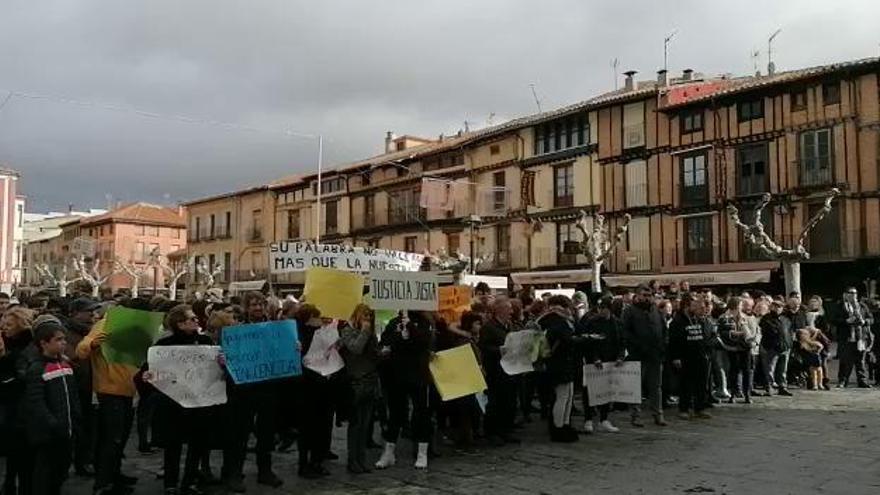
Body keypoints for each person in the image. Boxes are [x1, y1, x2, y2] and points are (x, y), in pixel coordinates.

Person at [145, 305, 214, 495]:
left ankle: (190, 482)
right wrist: (149, 375)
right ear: (180, 324)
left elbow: (214, 369)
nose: (197, 321)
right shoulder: (164, 345)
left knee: (197, 443)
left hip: (199, 401)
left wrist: (220, 362)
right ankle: (170, 483)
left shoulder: (205, 341)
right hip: (173, 403)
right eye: (192, 319)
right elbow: (150, 370)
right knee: (172, 444)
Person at [76, 300, 143, 495]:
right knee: (110, 439)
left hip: (129, 390)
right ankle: (103, 483)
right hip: (109, 390)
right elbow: (81, 349)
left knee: (120, 439)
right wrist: (93, 343)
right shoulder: (103, 325)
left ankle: (115, 476)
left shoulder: (131, 328)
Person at [220, 291, 283, 491]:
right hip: (243, 390)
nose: (258, 308)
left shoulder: (276, 329)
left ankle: (265, 471)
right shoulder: (237, 330)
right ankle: (234, 473)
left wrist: (293, 347)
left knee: (266, 432)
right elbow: (229, 354)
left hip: (267, 387)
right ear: (246, 308)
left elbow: (282, 351)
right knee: (239, 433)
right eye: (254, 304)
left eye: (261, 304)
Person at [20, 315, 81, 495]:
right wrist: (52, 423)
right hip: (49, 433)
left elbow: (73, 396)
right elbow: (36, 401)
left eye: (64, 339)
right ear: (44, 343)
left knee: (61, 471)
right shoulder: (37, 368)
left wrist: (76, 419)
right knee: (45, 473)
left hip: (67, 430)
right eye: (58, 340)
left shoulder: (65, 365)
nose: (63, 343)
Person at [376, 311, 434, 470]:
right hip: (397, 374)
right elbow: (386, 341)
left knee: (421, 413)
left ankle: (422, 452)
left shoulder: (424, 322)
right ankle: (388, 452)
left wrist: (410, 327)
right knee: (395, 413)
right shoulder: (394, 322)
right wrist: (397, 338)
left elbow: (424, 342)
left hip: (418, 375)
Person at [339, 304, 381, 475]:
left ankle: (361, 459)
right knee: (356, 424)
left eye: (369, 316)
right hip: (356, 382)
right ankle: (352, 460)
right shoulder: (347, 331)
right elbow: (355, 348)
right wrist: (364, 332)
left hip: (370, 379)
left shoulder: (370, 333)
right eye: (364, 315)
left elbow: (374, 353)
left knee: (365, 423)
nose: (367, 319)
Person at [293, 304, 333, 479]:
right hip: (307, 388)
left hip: (319, 386)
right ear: (309, 318)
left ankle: (316, 461)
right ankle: (305, 464)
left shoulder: (319, 333)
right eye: (317, 317)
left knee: (318, 427)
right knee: (308, 429)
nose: (319, 320)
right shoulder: (301, 336)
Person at [621, 284, 668, 427]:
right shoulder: (630, 311)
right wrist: (635, 346)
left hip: (655, 354)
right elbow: (625, 332)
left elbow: (664, 329)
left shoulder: (656, 310)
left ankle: (658, 414)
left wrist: (663, 346)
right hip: (638, 355)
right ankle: (636, 415)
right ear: (637, 296)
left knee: (656, 387)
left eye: (649, 295)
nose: (647, 298)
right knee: (637, 387)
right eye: (644, 295)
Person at [64, 297, 100, 476]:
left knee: (90, 426)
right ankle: (79, 462)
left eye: (94, 311)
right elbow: (72, 360)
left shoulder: (94, 331)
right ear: (75, 314)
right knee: (79, 426)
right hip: (77, 386)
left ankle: (87, 459)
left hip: (94, 384)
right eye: (89, 311)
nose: (93, 315)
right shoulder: (66, 333)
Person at [1, 306, 36, 494]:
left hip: (22, 407)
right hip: (12, 407)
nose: (4, 328)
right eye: (3, 324)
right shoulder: (9, 344)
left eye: (9, 325)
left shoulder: (26, 349)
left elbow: (21, 379)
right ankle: (9, 483)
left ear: (21, 325)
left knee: (22, 453)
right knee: (14, 451)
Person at [478, 298, 520, 445]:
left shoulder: (510, 326)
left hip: (511, 369)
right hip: (496, 370)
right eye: (508, 308)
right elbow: (483, 347)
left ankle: (506, 430)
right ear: (499, 310)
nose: (511, 311)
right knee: (495, 402)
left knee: (509, 401)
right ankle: (493, 432)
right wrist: (499, 350)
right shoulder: (488, 327)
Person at [580, 297, 625, 432]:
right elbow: (587, 341)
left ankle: (604, 419)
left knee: (607, 390)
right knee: (589, 390)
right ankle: (588, 419)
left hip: (610, 360)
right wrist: (595, 358)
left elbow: (622, 341)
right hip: (594, 361)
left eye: (603, 308)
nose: (600, 311)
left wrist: (620, 357)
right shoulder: (591, 322)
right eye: (599, 308)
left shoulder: (617, 323)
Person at [540, 295, 579, 442]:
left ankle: (565, 424)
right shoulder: (556, 321)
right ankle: (558, 427)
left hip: (562, 362)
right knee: (561, 397)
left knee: (567, 395)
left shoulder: (553, 320)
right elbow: (565, 339)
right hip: (559, 363)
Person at [668, 293, 713, 419]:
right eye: (695, 305)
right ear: (687, 306)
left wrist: (706, 352)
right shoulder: (678, 321)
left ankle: (700, 408)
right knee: (685, 384)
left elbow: (706, 336)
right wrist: (676, 357)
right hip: (685, 356)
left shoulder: (700, 319)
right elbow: (673, 341)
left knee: (701, 383)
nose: (698, 308)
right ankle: (684, 409)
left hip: (700, 355)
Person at [718, 297, 758, 404]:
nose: (741, 307)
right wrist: (733, 334)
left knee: (747, 371)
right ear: (735, 306)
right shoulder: (724, 317)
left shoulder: (746, 317)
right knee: (733, 371)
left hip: (745, 347)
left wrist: (753, 340)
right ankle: (733, 394)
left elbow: (755, 330)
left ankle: (747, 394)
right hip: (732, 347)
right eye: (740, 305)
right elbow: (721, 332)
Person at [834, 287, 874, 388]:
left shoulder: (862, 306)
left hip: (860, 337)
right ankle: (843, 381)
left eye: (855, 293)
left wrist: (865, 321)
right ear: (845, 294)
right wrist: (846, 321)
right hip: (846, 336)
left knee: (861, 360)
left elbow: (871, 318)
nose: (853, 295)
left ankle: (862, 381)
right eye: (851, 293)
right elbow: (833, 320)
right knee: (845, 360)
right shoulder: (840, 306)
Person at [759, 300, 793, 396]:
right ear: (771, 307)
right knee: (770, 369)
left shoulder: (785, 319)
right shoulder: (766, 319)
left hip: (785, 347)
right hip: (771, 348)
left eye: (779, 307)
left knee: (783, 370)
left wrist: (789, 344)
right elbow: (768, 331)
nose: (777, 308)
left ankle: (782, 386)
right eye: (775, 306)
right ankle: (769, 387)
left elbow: (789, 332)